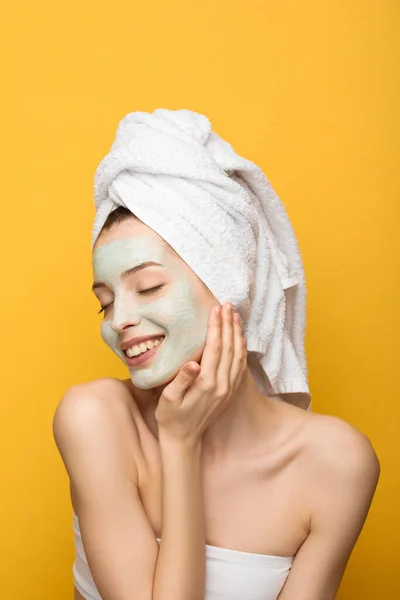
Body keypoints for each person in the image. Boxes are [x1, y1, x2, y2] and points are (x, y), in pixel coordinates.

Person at [53, 110, 380, 600]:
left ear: (229, 283)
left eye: (148, 286)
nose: (118, 319)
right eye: (105, 301)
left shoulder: (336, 463)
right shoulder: (95, 419)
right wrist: (179, 446)